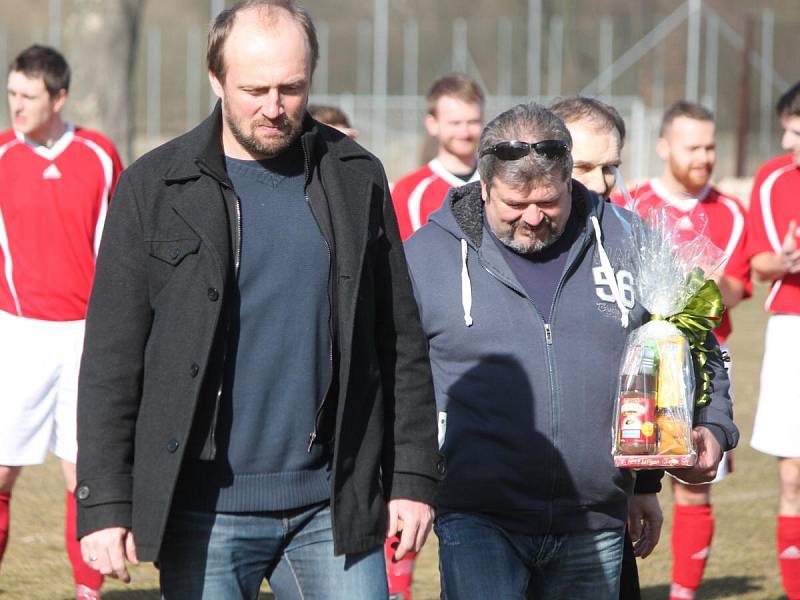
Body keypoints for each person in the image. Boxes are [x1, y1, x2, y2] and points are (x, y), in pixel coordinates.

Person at [75, 1, 440, 598]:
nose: (274, 107)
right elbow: (112, 360)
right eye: (255, 89)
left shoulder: (356, 177)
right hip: (202, 511)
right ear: (215, 78)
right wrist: (105, 502)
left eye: (291, 88)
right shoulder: (152, 188)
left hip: (333, 506)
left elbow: (398, 340)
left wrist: (413, 477)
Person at [403, 102, 738, 599]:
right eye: (515, 204)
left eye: (549, 201)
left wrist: (712, 424)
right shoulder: (426, 256)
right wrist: (406, 482)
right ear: (484, 186)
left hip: (595, 520)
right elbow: (395, 379)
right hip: (478, 519)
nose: (534, 217)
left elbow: (696, 339)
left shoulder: (628, 239)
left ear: (568, 181)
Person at [613, 100, 750, 600]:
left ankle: (683, 593)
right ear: (664, 146)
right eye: (693, 146)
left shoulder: (730, 211)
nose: (705, 156)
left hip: (702, 367)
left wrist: (691, 297)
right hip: (640, 365)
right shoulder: (633, 201)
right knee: (627, 474)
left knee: (694, 480)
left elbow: (736, 284)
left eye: (712, 146)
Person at [0, 45, 122, 600]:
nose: (15, 105)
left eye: (27, 95)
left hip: (84, 338)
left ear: (59, 97)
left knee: (83, 473)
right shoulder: (1, 154)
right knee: (1, 475)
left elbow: (122, 251)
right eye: (11, 93)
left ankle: (87, 591)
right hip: (17, 334)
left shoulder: (98, 155)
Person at [550, 95, 664, 600]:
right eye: (585, 167)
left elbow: (648, 370)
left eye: (611, 167)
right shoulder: (498, 242)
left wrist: (646, 486)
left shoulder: (631, 239)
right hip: (506, 510)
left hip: (605, 504)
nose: (600, 183)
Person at [747, 81, 800, 600]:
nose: (788, 142)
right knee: (793, 481)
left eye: (798, 132)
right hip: (793, 332)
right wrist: (785, 260)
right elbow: (757, 262)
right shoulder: (772, 180)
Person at [391, 73, 484, 241]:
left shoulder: (498, 183)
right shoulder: (407, 191)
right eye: (455, 123)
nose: (464, 132)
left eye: (473, 122)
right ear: (432, 124)